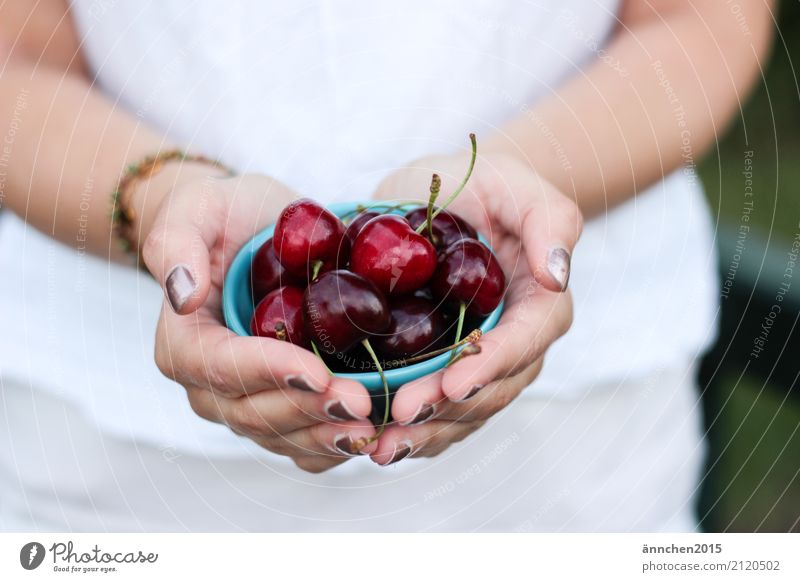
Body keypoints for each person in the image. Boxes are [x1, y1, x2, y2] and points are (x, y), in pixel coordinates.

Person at [0, 1, 774, 532]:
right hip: (115, 472)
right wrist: (163, 196)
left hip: (567, 462)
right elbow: (16, 61)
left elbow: (699, 19)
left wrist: (512, 183)